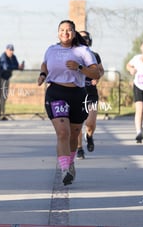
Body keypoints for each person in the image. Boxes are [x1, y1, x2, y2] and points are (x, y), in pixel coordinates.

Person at [37, 20, 100, 186]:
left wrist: (79, 68)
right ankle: (65, 170)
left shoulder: (82, 51)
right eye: (62, 30)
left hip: (77, 94)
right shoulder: (51, 49)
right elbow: (45, 63)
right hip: (56, 93)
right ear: (58, 32)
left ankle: (70, 163)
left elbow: (95, 73)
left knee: (74, 135)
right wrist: (43, 74)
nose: (65, 33)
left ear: (74, 32)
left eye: (69, 30)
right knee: (63, 132)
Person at [76, 31, 104, 159]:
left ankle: (89, 136)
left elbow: (101, 70)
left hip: (91, 93)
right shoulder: (73, 55)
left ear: (89, 40)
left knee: (90, 123)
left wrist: (97, 78)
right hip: (76, 93)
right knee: (76, 124)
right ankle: (79, 149)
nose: (83, 39)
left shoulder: (95, 55)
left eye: (86, 38)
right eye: (81, 37)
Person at [0, 44, 24, 120]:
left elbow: (16, 66)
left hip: (6, 78)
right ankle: (0, 114)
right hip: (0, 77)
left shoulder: (13, 57)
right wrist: (16, 67)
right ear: (6, 50)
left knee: (4, 96)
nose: (11, 52)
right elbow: (6, 67)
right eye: (10, 50)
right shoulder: (3, 57)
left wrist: (20, 67)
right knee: (1, 96)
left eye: (12, 50)